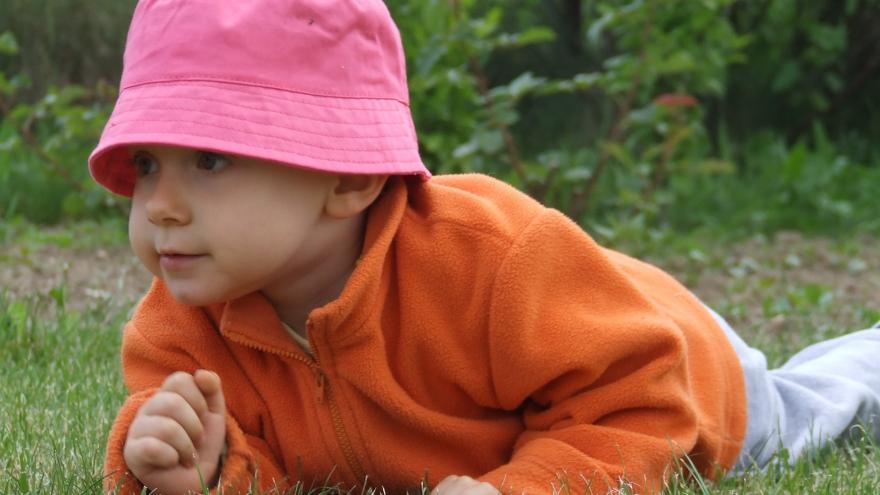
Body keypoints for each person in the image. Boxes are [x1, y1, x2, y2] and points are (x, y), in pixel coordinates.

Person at [90, 1, 880, 494]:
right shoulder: (182, 329)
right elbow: (269, 467)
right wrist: (196, 470)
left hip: (674, 364)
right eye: (148, 163)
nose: (157, 204)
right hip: (587, 319)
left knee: (827, 403)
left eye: (212, 161)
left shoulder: (485, 260)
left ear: (348, 181)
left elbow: (641, 401)